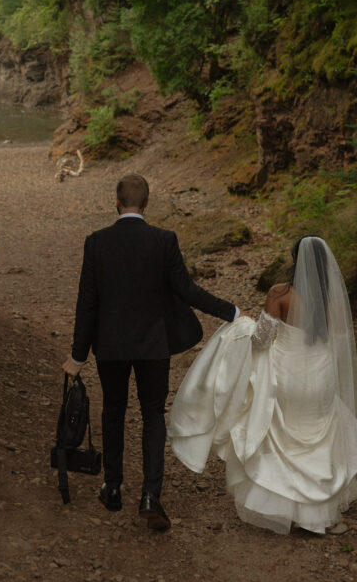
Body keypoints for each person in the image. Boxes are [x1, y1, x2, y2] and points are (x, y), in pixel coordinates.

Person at [62, 173, 240, 531]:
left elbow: (88, 303)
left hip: (110, 346)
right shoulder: (163, 241)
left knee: (112, 411)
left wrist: (78, 357)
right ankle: (149, 495)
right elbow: (187, 290)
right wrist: (231, 311)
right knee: (153, 414)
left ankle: (112, 488)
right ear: (146, 204)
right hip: (153, 345)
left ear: (116, 201)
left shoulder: (97, 243)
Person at [167, 235, 357, 534]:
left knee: (286, 441)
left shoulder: (280, 293)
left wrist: (241, 327)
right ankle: (320, 515)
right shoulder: (334, 302)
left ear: (296, 260)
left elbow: (261, 340)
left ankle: (288, 510)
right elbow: (341, 347)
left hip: (288, 375)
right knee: (319, 439)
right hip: (320, 376)